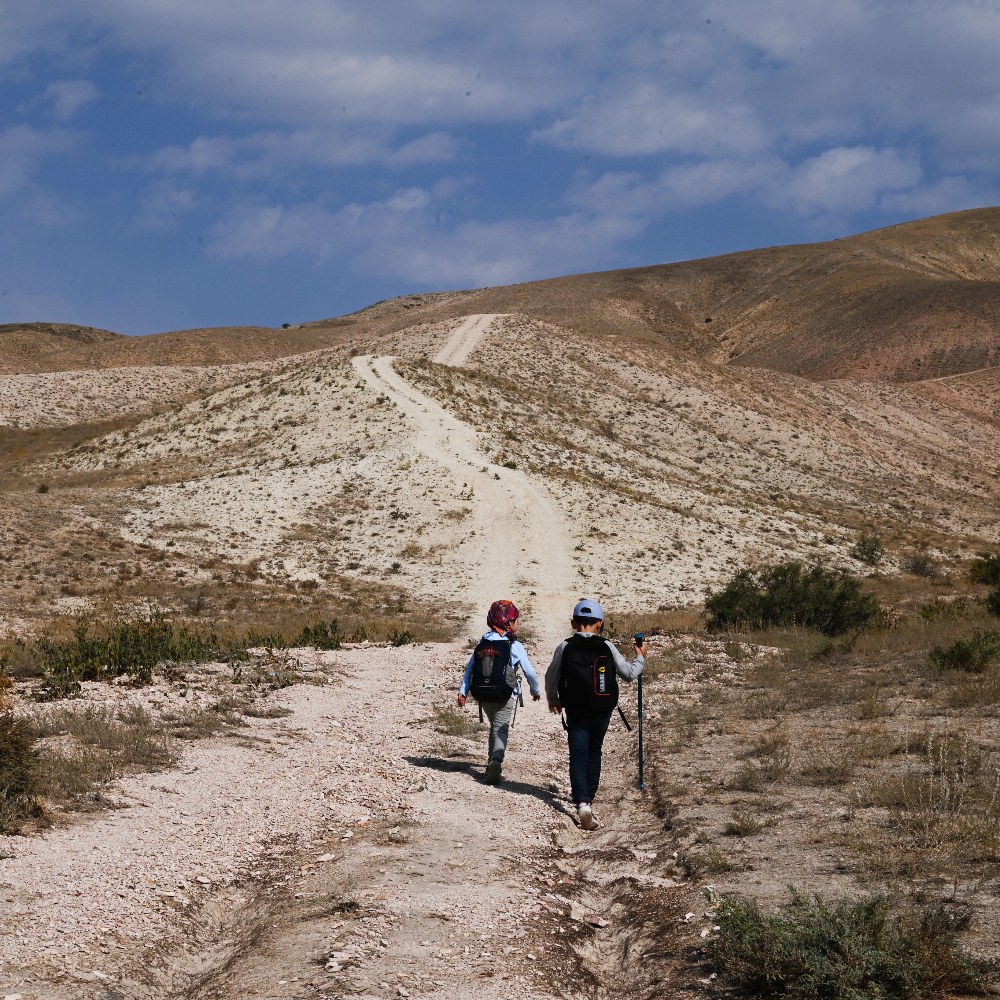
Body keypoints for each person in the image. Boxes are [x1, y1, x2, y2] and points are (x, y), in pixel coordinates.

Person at [545, 599, 645, 830]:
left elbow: (552, 676)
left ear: (573, 623)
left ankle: (581, 804)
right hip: (602, 709)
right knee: (594, 751)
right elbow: (629, 674)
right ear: (600, 623)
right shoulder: (607, 647)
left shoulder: (565, 646)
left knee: (577, 754)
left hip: (576, 709)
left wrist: (553, 699)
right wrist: (641, 656)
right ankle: (589, 796)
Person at [457, 599, 541, 784]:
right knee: (500, 729)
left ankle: (491, 763)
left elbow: (470, 669)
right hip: (505, 695)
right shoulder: (514, 645)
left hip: (483, 696)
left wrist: (462, 692)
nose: (518, 623)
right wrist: (535, 690)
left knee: (494, 727)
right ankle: (496, 761)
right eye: (516, 620)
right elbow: (530, 672)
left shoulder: (483, 642)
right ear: (508, 623)